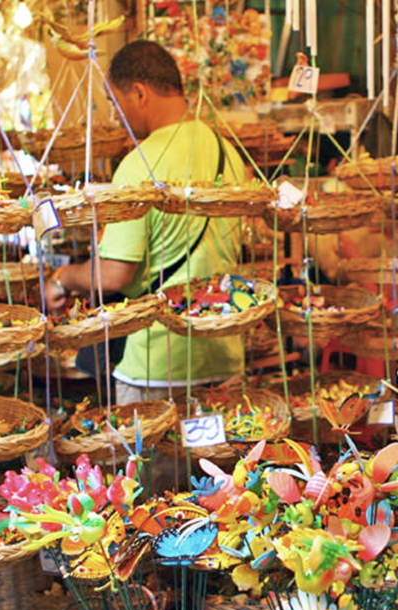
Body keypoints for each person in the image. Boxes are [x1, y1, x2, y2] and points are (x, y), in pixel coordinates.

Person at [45, 41, 247, 404]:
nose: (115, 115)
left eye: (113, 102)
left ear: (138, 93)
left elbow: (114, 275)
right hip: (223, 351)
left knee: (154, 461)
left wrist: (62, 279)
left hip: (156, 364)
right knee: (222, 462)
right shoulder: (227, 152)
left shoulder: (140, 164)